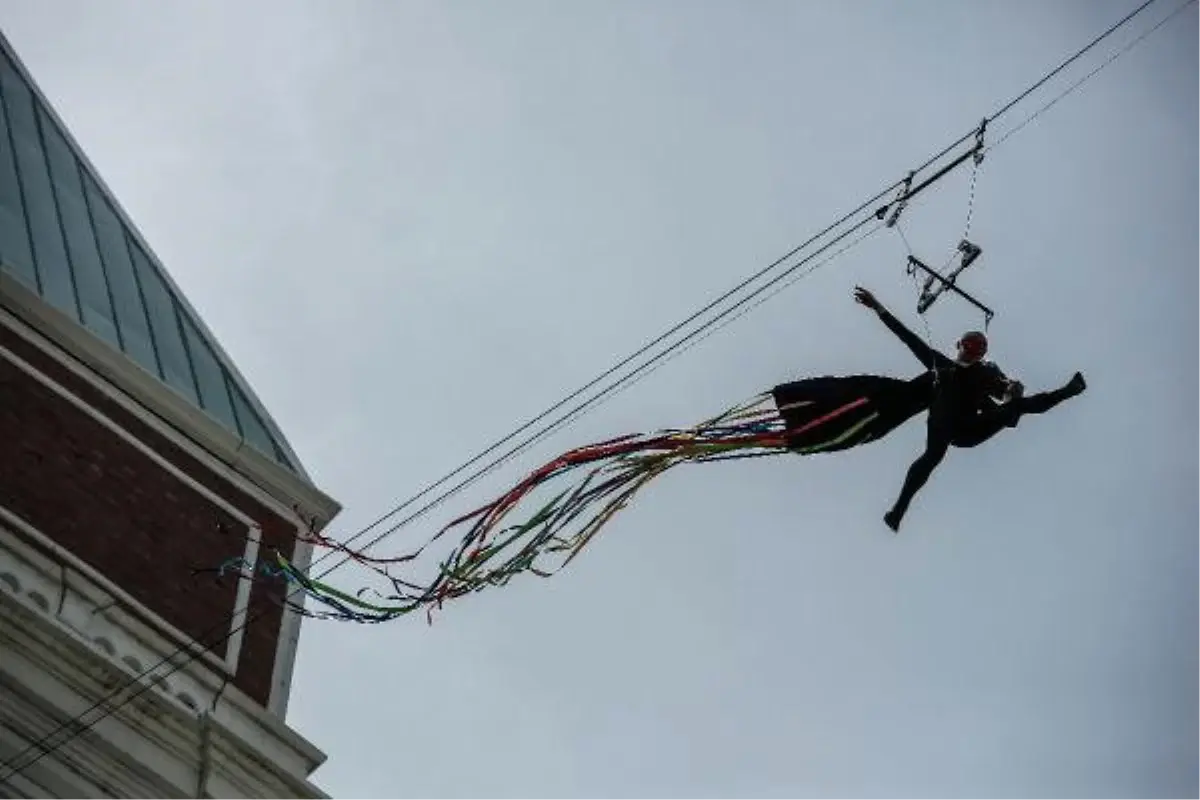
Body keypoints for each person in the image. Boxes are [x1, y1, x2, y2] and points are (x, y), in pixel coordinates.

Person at [852, 286, 1086, 532]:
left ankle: (1068, 391)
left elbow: (1014, 397)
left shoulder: (984, 375)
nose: (973, 351)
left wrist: (1012, 391)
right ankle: (898, 512)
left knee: (1017, 406)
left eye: (978, 348)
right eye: (970, 345)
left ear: (980, 354)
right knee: (932, 456)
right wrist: (878, 308)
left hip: (969, 429)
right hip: (943, 424)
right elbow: (909, 338)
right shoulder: (942, 367)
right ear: (960, 344)